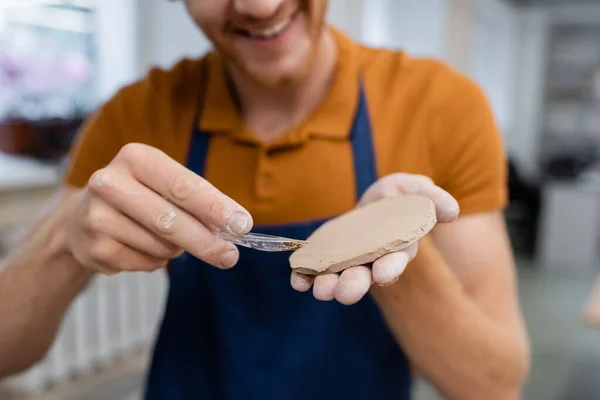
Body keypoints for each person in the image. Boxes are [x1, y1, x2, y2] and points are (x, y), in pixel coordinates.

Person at [0, 0, 531, 398]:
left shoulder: (442, 107)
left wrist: (392, 247)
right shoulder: (137, 116)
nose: (259, 5)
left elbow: (494, 386)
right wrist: (63, 244)